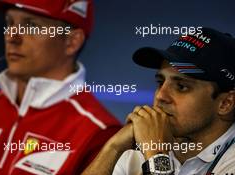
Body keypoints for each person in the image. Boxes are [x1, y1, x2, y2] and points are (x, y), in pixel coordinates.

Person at [0, 0, 121, 174]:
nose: (11, 36)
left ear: (72, 41)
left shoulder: (100, 135)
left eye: (31, 25)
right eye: (9, 22)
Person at [82, 27, 235, 175]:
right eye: (160, 82)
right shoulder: (139, 148)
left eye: (181, 87)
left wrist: (156, 156)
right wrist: (113, 148)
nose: (160, 96)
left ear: (225, 103)